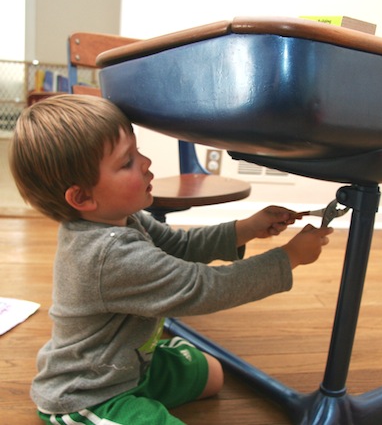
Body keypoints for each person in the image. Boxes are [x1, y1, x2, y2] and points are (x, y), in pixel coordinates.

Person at [9, 94, 333, 425]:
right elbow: (203, 287)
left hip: (132, 365)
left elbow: (179, 245)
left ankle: (148, 375)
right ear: (82, 197)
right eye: (127, 162)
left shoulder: (125, 217)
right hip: (91, 391)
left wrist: (246, 228)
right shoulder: (108, 255)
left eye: (137, 151)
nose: (146, 162)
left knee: (213, 375)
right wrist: (288, 258)